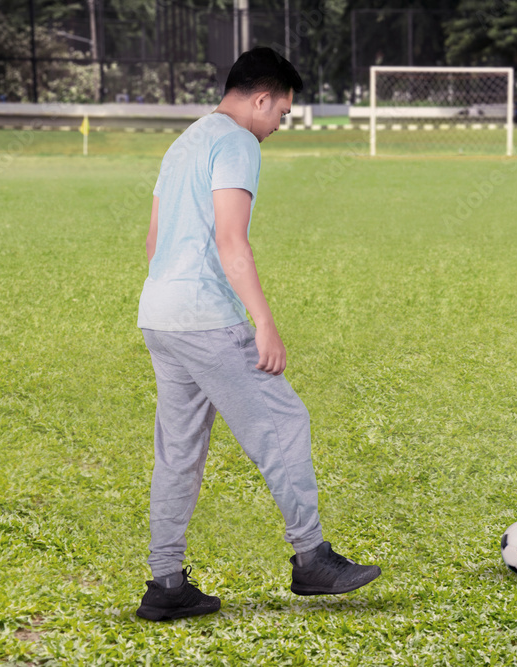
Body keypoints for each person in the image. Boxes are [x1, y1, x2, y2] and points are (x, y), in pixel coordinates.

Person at [135, 47, 381, 622]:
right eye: (283, 113)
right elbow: (231, 241)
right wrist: (264, 324)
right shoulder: (237, 142)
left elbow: (152, 242)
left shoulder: (184, 142)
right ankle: (312, 558)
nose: (278, 126)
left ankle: (166, 582)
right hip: (206, 318)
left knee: (177, 453)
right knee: (285, 422)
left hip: (159, 314)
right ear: (262, 97)